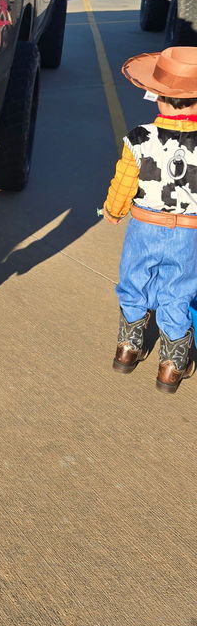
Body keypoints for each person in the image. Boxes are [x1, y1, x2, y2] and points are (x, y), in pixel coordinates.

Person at [103, 44, 197, 393]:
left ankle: (127, 348)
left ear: (157, 96)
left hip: (144, 224)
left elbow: (124, 182)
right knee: (178, 291)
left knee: (135, 280)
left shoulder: (139, 137)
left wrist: (114, 210)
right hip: (190, 233)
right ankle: (172, 366)